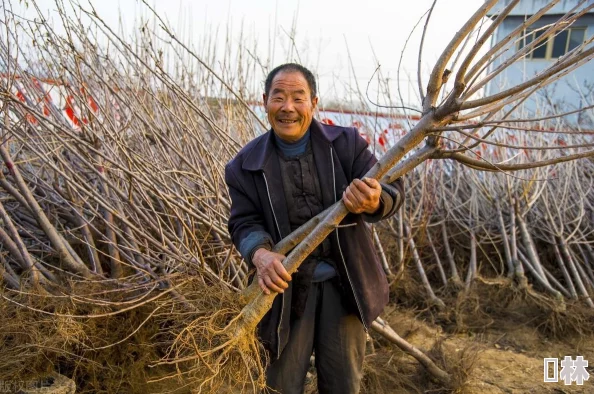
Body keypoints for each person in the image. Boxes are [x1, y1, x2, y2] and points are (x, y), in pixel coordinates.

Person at [225, 63, 404, 394]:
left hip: (345, 284)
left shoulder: (346, 144)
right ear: (265, 101)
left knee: (343, 383)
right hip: (284, 291)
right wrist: (261, 255)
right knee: (280, 384)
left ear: (314, 103)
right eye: (278, 97)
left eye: (298, 97)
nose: (288, 107)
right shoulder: (244, 166)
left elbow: (391, 188)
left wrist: (373, 199)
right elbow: (243, 222)